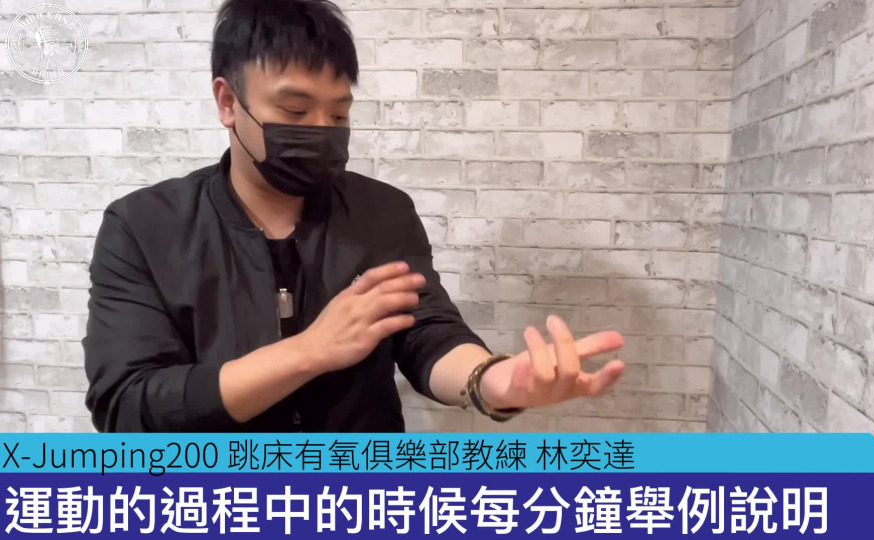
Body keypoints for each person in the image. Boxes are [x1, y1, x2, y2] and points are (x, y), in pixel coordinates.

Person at [82, 0, 626, 433]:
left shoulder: (381, 212)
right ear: (228, 102)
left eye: (339, 113)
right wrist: (308, 352)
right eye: (295, 111)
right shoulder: (143, 227)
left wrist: (494, 380)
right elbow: (127, 405)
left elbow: (426, 332)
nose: (321, 130)